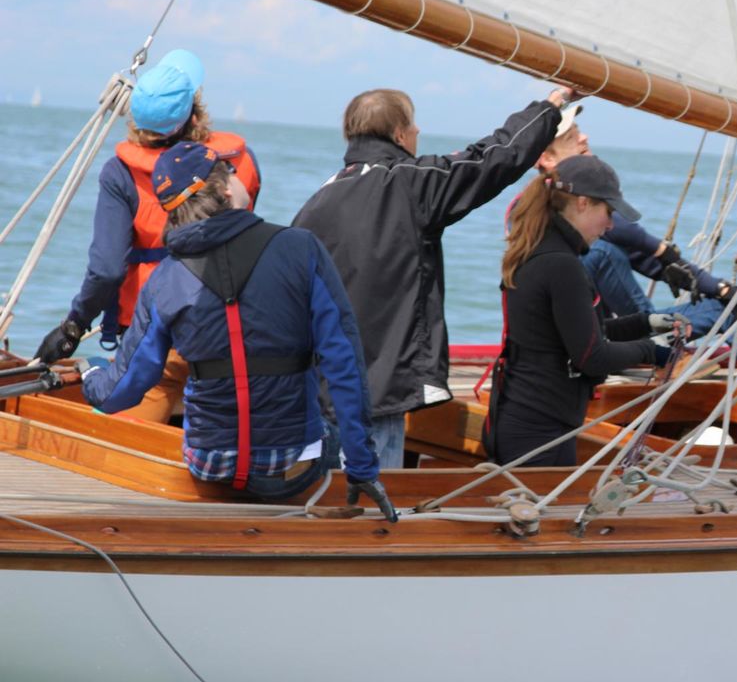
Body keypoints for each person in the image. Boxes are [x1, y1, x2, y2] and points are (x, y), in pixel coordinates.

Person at [78, 142, 393, 514]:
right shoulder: (300, 248)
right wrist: (362, 468)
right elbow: (343, 361)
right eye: (230, 171)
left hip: (210, 463)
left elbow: (122, 391)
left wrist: (91, 374)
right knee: (328, 431)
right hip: (293, 466)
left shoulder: (164, 280)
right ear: (226, 190)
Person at [294, 85, 576, 468]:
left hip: (321, 389)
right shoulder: (409, 183)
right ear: (399, 134)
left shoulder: (318, 201)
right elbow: (494, 157)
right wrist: (551, 106)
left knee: (332, 491)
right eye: (412, 124)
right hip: (376, 389)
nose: (418, 131)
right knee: (374, 496)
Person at [533, 111, 737, 400]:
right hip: (597, 337)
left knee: (731, 307)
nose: (584, 137)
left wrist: (718, 288)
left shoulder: (589, 218)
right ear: (546, 159)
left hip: (624, 328)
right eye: (572, 136)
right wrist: (672, 258)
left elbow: (646, 258)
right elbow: (628, 236)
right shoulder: (540, 213)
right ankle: (663, 352)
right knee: (602, 252)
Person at [36, 49, 261, 423]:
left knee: (131, 430)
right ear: (194, 114)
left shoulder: (121, 173)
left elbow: (107, 270)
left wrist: (74, 325)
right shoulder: (241, 160)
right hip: (230, 324)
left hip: (156, 330)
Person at [490, 154, 686, 466]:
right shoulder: (562, 266)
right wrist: (652, 351)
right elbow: (592, 357)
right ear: (583, 203)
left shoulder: (540, 250)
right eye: (608, 212)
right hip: (541, 432)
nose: (610, 225)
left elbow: (578, 334)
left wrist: (645, 322)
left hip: (525, 419)